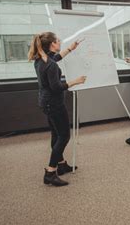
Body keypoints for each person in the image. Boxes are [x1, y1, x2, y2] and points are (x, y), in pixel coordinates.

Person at [28, 32, 86, 187]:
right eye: (57, 41)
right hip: (54, 104)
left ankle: (61, 164)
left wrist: (70, 49)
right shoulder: (50, 64)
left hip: (46, 103)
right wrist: (76, 81)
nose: (59, 42)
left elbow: (56, 58)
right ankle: (50, 172)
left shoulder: (41, 59)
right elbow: (57, 87)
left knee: (56, 134)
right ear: (52, 44)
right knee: (64, 136)